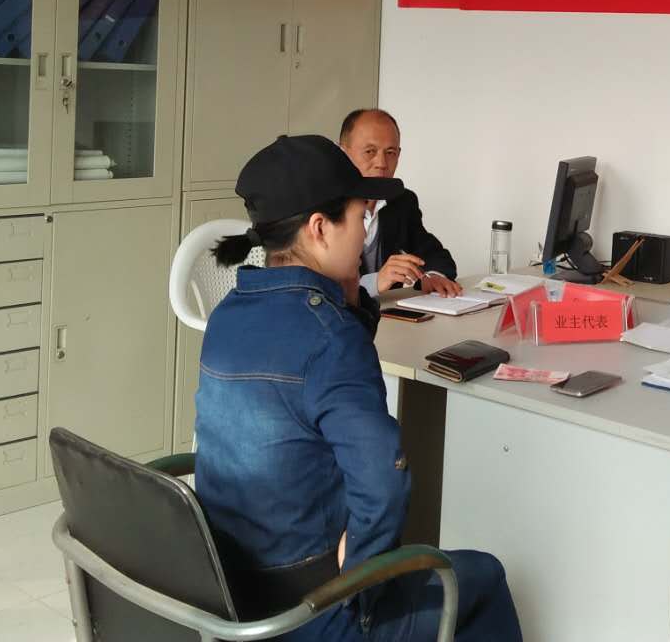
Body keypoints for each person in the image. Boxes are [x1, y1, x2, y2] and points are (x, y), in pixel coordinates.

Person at [195, 134, 522, 642]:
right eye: (359, 217)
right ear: (320, 228)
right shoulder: (330, 338)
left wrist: (350, 305)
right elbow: (385, 486)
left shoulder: (228, 315)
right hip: (310, 611)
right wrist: (359, 592)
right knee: (485, 574)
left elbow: (313, 379)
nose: (365, 231)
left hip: (234, 593)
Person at [340, 108, 462, 298]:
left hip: (388, 314)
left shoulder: (402, 201)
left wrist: (432, 276)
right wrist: (375, 282)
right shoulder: (322, 208)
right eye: (370, 151)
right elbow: (314, 285)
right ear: (342, 153)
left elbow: (435, 255)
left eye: (390, 152)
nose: (382, 163)